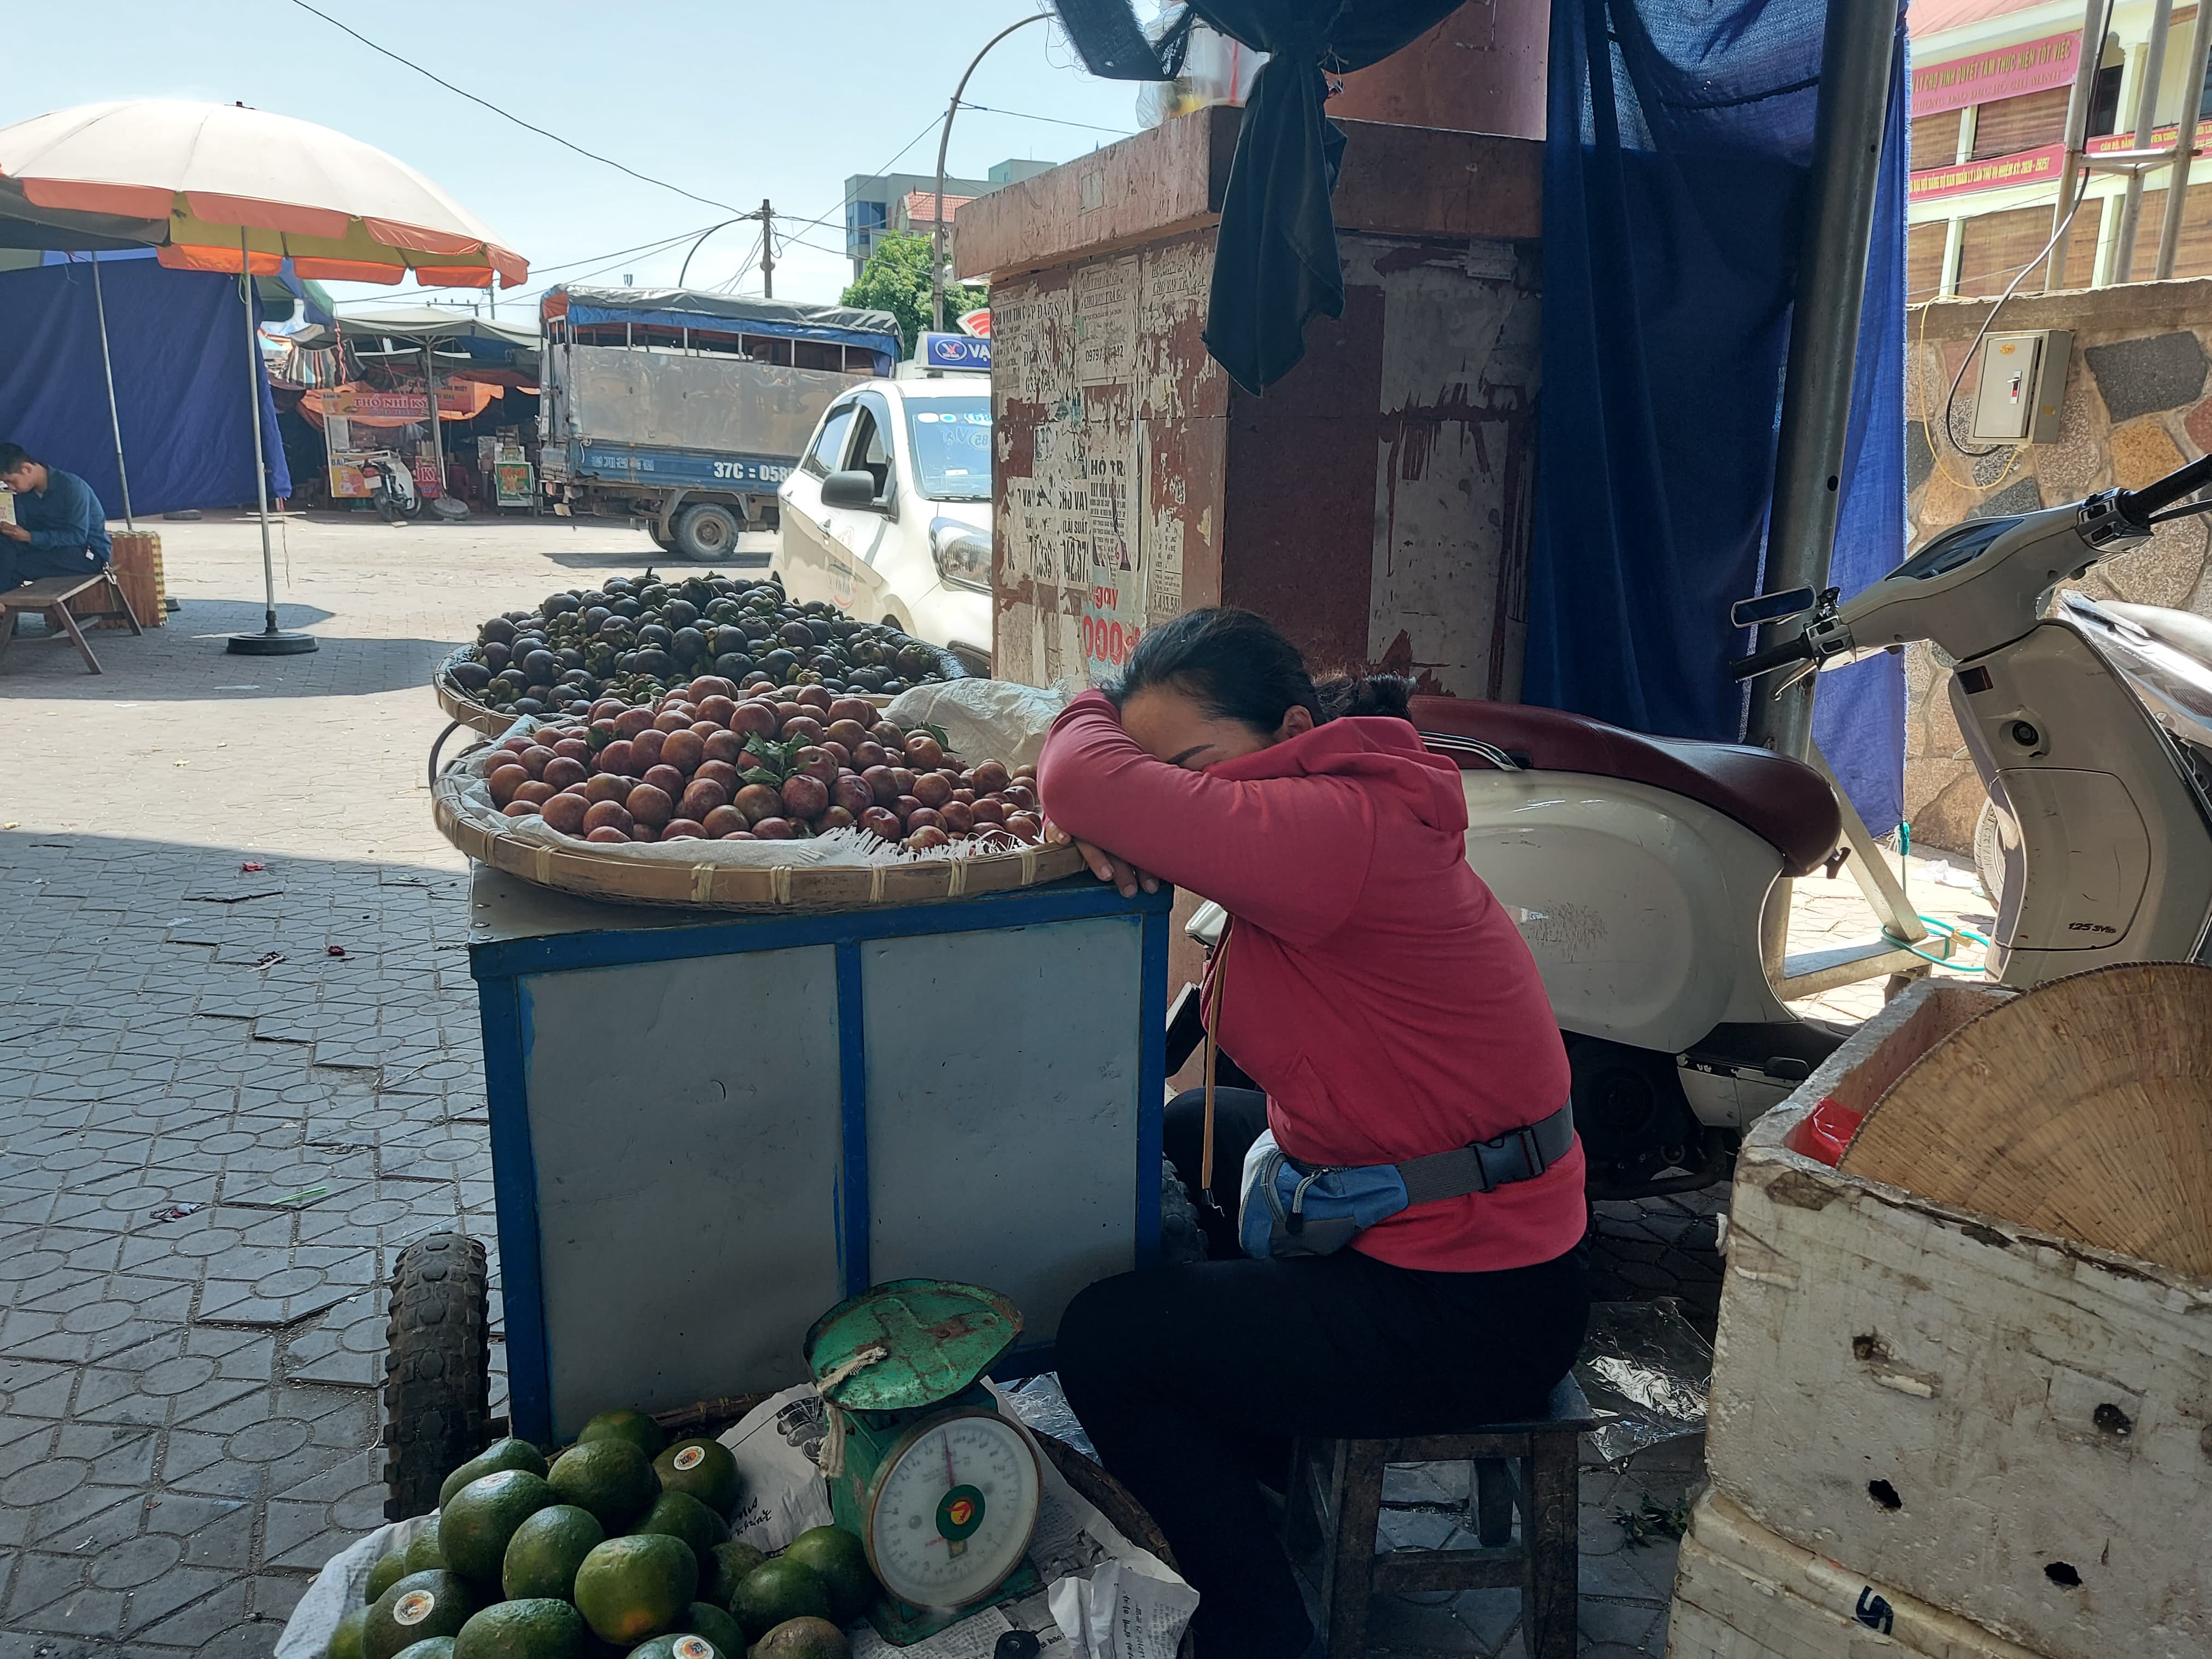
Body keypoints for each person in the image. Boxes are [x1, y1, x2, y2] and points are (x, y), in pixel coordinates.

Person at [1038, 607, 1588, 1659]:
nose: (1180, 803)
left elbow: (1078, 782)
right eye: (1160, 777)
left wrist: (1095, 726)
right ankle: (1265, 1454)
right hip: (1460, 1231)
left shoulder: (1337, 833)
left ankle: (1261, 1632)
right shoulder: (1338, 806)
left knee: (1106, 1342)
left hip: (1478, 1304)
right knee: (1196, 1122)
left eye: (1193, 768)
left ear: (1292, 725)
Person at [0, 443, 113, 593]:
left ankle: (5, 608)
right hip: (51, 547)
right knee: (5, 546)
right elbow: (33, 529)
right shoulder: (27, 493)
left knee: (14, 567)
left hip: (86, 553)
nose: (11, 487)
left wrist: (30, 537)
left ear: (27, 468)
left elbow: (77, 536)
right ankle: (5, 608)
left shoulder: (72, 487)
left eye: (11, 481)